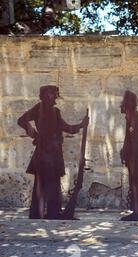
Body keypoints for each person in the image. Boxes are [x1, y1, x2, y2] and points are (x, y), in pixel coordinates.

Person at [18, 85, 88, 219]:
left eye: (55, 94)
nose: (55, 97)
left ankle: (53, 213)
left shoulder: (56, 112)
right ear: (45, 95)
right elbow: (21, 121)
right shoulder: (38, 109)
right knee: (41, 183)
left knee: (54, 184)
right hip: (44, 153)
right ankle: (37, 213)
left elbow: (67, 128)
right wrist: (34, 134)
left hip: (54, 153)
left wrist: (80, 125)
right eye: (52, 94)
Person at [119, 90, 138, 221]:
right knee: (135, 184)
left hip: (137, 159)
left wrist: (134, 160)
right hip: (134, 159)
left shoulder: (136, 122)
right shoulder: (131, 121)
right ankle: (137, 211)